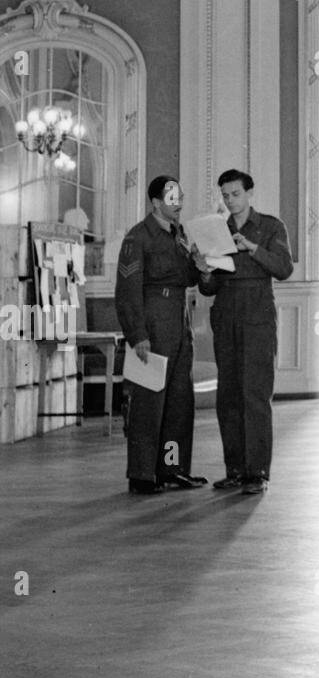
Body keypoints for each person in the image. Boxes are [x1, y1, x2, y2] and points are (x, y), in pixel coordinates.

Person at [196, 170, 293, 496]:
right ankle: (235, 470)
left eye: (235, 194)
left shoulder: (270, 226)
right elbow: (209, 289)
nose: (230, 200)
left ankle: (257, 473)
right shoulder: (217, 231)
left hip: (258, 319)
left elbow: (284, 269)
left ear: (249, 193)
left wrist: (252, 248)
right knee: (229, 398)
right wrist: (204, 270)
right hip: (226, 317)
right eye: (225, 195)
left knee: (255, 396)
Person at [114, 175, 211, 495]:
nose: (178, 203)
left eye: (180, 196)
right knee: (148, 401)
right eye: (171, 198)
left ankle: (172, 469)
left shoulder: (180, 235)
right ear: (155, 202)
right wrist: (137, 334)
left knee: (179, 402)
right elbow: (127, 292)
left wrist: (199, 265)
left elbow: (188, 278)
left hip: (179, 321)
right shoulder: (137, 238)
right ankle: (142, 474)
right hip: (152, 323)